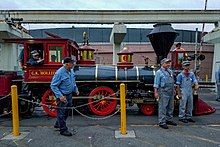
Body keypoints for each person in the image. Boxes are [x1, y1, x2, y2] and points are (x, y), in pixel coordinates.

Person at [50, 57, 79, 136]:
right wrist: (60, 96)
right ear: (67, 64)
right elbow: (53, 85)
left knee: (67, 110)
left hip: (69, 95)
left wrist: (75, 89)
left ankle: (58, 124)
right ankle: (63, 130)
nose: (73, 64)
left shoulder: (71, 71)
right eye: (72, 63)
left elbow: (73, 82)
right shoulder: (59, 73)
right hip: (63, 96)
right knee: (61, 112)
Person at [154, 58, 177, 129]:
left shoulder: (170, 71)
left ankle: (169, 119)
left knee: (171, 106)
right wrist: (156, 92)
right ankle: (162, 122)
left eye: (169, 63)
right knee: (163, 107)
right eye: (167, 63)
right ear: (162, 64)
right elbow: (156, 83)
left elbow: (172, 81)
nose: (168, 64)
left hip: (171, 90)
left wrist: (174, 89)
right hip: (163, 91)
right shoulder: (159, 72)